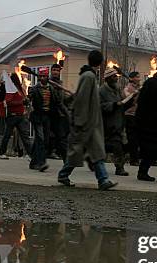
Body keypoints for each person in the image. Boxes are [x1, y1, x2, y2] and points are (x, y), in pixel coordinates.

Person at [57, 50, 117, 190]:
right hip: (86, 123)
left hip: (91, 123)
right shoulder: (89, 76)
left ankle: (102, 180)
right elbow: (82, 100)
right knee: (81, 152)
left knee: (94, 153)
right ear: (100, 63)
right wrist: (80, 121)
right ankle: (66, 175)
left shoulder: (89, 76)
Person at [100, 67, 134, 176]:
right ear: (108, 78)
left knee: (117, 145)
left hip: (118, 122)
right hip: (106, 123)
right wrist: (113, 105)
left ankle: (119, 167)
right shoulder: (101, 90)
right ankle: (93, 159)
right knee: (106, 145)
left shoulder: (118, 89)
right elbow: (100, 106)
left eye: (116, 76)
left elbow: (122, 104)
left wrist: (131, 99)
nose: (116, 78)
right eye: (114, 76)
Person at [28, 67, 58, 172]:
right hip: (37, 116)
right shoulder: (35, 89)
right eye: (40, 76)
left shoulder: (51, 89)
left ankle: (33, 162)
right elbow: (29, 97)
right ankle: (41, 163)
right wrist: (27, 99)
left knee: (43, 141)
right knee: (40, 139)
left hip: (47, 117)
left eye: (44, 76)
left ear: (47, 77)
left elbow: (56, 102)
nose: (42, 78)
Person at [0, 73, 32, 159]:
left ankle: (31, 154)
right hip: (12, 116)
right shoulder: (10, 89)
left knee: (25, 136)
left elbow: (24, 100)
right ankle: (2, 152)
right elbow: (8, 102)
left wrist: (26, 100)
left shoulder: (20, 89)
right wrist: (21, 102)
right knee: (7, 135)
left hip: (20, 116)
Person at [48, 63, 70, 160]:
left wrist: (71, 97)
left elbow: (62, 98)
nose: (56, 72)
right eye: (54, 70)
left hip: (59, 113)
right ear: (51, 71)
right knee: (49, 135)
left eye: (57, 70)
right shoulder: (48, 83)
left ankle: (60, 153)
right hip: (50, 112)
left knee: (61, 135)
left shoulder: (60, 83)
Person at [123, 72, 141, 166]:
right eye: (137, 77)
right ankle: (133, 159)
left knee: (136, 138)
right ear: (132, 78)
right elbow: (128, 100)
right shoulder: (127, 88)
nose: (139, 78)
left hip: (136, 115)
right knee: (132, 138)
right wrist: (135, 94)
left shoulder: (137, 88)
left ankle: (125, 153)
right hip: (129, 115)